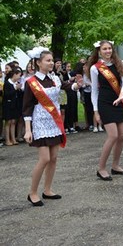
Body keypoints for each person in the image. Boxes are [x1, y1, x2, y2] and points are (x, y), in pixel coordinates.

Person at [23, 47, 82, 206]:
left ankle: (47, 190)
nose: (52, 63)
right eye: (48, 61)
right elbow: (27, 107)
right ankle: (32, 192)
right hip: (40, 122)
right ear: (38, 62)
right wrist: (28, 130)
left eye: (52, 60)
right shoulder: (31, 82)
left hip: (54, 122)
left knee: (54, 158)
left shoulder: (55, 78)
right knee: (44, 159)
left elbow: (66, 87)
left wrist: (76, 85)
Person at [86, 40, 123, 180]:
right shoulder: (95, 68)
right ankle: (101, 168)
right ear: (99, 51)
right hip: (104, 103)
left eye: (109, 48)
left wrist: (122, 95)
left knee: (121, 136)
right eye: (104, 49)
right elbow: (94, 91)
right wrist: (96, 111)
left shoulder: (120, 63)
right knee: (113, 136)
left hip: (118, 101)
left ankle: (116, 166)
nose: (107, 51)